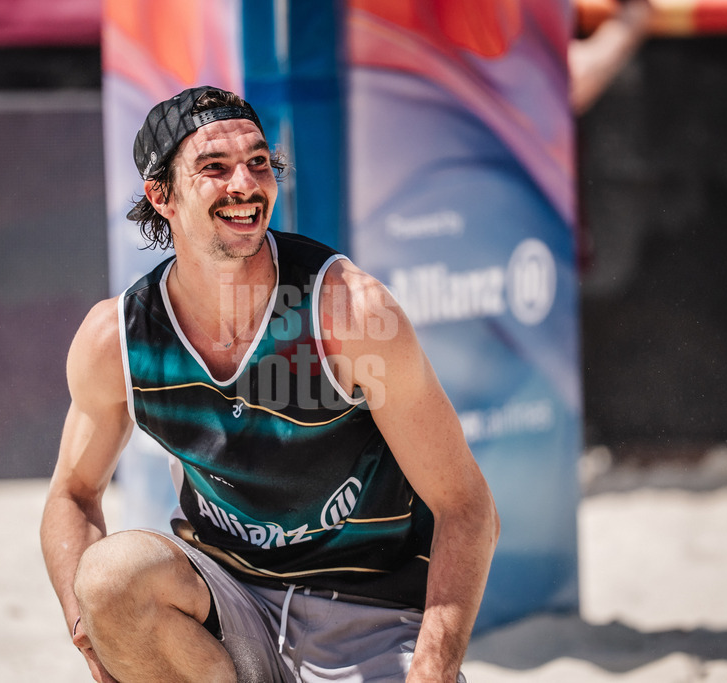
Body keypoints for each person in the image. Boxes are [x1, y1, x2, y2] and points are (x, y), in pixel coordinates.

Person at [40, 85, 500, 683]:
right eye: (215, 168)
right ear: (161, 195)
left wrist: (433, 672)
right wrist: (87, 627)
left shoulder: (348, 311)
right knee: (109, 576)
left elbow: (467, 507)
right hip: (234, 610)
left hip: (373, 617)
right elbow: (70, 495)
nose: (246, 185)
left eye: (259, 162)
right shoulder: (119, 338)